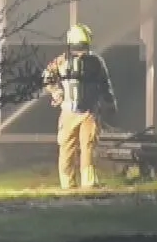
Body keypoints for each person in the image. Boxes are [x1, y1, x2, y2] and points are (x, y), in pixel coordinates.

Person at [44, 23, 116, 190]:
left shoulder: (96, 62)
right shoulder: (60, 61)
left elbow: (105, 84)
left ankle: (87, 182)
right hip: (71, 111)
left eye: (82, 47)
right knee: (68, 147)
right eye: (79, 47)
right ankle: (68, 183)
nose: (81, 51)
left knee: (88, 147)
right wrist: (56, 92)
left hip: (88, 113)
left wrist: (110, 102)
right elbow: (47, 78)